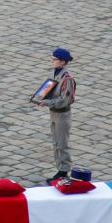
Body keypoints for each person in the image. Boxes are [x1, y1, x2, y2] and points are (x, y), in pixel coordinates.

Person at [34, 47, 76, 184]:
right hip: (54, 113)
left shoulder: (67, 79)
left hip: (62, 115)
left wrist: (47, 102)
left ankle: (64, 171)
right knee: (56, 142)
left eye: (55, 59)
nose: (52, 61)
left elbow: (65, 100)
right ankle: (60, 169)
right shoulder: (56, 74)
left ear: (63, 62)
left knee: (62, 143)